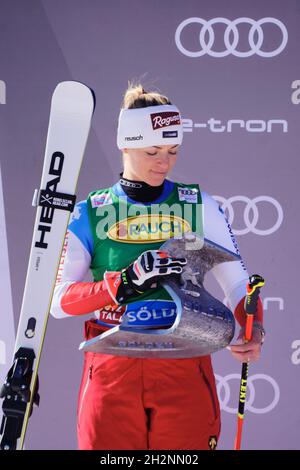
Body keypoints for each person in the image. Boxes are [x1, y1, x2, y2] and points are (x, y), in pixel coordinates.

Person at [51, 82, 265, 450]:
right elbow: (58, 302)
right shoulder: (91, 211)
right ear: (125, 143)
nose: (164, 162)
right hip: (112, 365)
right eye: (152, 151)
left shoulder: (199, 205)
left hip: (184, 361)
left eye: (172, 150)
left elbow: (238, 285)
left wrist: (252, 325)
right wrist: (121, 284)